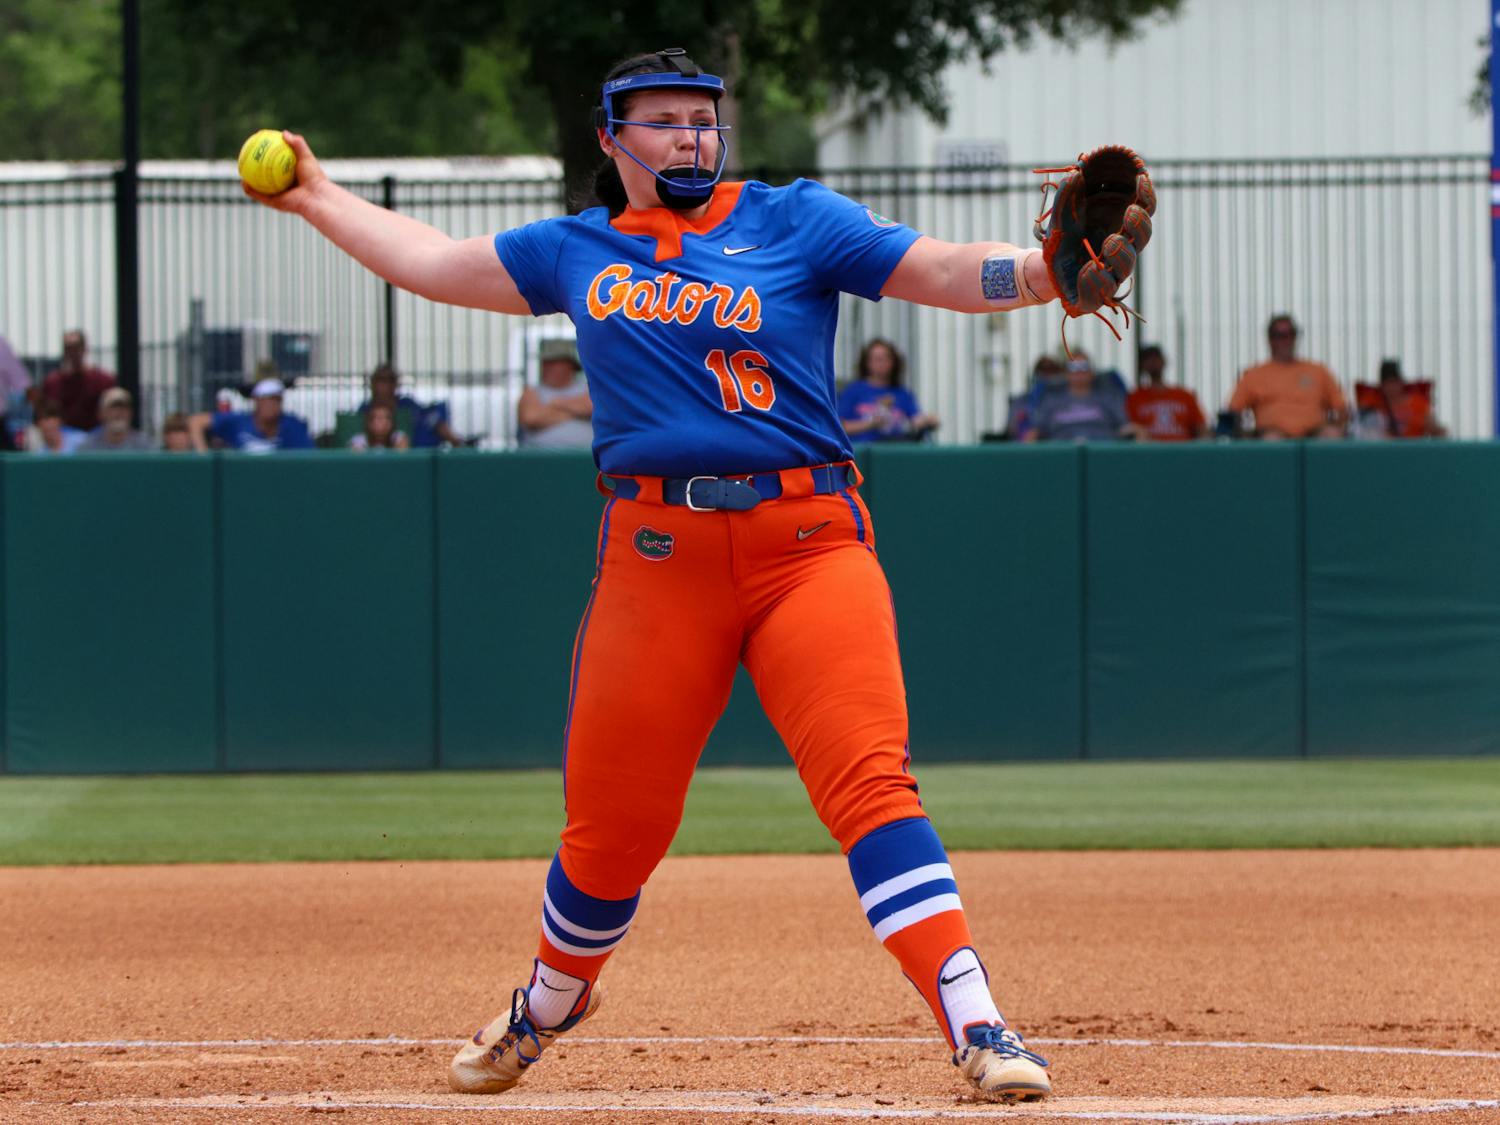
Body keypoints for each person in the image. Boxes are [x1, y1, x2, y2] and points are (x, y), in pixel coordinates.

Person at [244, 47, 1066, 1104]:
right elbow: (432, 262)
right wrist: (316, 195)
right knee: (612, 829)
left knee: (869, 780)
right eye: (665, 120)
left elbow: (944, 269)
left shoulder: (794, 219)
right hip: (656, 560)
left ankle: (976, 1021)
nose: (690, 135)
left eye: (703, 118)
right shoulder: (575, 250)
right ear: (611, 138)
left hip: (810, 546)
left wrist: (1038, 273)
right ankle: (550, 1000)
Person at [1227, 315, 1346, 439]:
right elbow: (1234, 410)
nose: (1286, 340)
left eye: (1290, 334)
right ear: (1270, 339)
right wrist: (1244, 434)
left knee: (1332, 434)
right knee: (1272, 439)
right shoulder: (1253, 375)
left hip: (1314, 434)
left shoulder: (1318, 371)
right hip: (1272, 433)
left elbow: (1341, 408)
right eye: (1280, 335)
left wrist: (1337, 425)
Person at [837, 338, 938, 442]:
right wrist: (871, 424)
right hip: (862, 450)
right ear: (867, 363)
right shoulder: (853, 391)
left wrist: (928, 421)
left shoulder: (902, 394)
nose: (882, 364)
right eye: (877, 359)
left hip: (895, 450)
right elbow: (840, 427)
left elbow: (915, 419)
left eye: (886, 359)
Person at [1025, 353, 1137, 443]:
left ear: (1092, 372)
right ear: (1066, 373)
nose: (1078, 371)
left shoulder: (1109, 397)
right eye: (1073, 367)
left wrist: (1138, 432)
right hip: (1060, 455)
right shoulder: (1051, 400)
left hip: (1103, 453)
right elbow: (1036, 432)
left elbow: (1125, 427)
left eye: (1083, 366)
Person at [189, 376, 315, 453]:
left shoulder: (292, 425)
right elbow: (196, 421)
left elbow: (308, 458)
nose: (272, 405)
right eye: (267, 399)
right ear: (257, 400)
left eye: (276, 400)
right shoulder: (239, 421)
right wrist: (204, 456)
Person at [359, 363, 467, 447]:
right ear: (373, 383)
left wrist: (455, 441)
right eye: (380, 381)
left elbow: (431, 421)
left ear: (395, 384)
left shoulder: (407, 405)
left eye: (389, 381)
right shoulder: (365, 409)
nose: (384, 386)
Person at [517, 338, 594, 449]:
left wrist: (556, 403)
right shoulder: (532, 392)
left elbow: (590, 407)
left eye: (554, 362)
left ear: (570, 365)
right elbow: (531, 418)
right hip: (541, 457)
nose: (547, 367)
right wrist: (576, 411)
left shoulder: (587, 387)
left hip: (584, 456)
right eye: (545, 362)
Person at [1125, 345, 1208, 441]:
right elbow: (1130, 430)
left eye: (1156, 358)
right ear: (1142, 365)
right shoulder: (1134, 398)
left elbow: (1201, 428)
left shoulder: (1184, 396)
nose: (1153, 362)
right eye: (1148, 359)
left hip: (1183, 451)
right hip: (1149, 452)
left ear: (1164, 361)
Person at [40, 330, 117, 432]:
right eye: (69, 348)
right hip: (64, 440)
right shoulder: (52, 383)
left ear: (85, 349)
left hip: (98, 438)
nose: (73, 353)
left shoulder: (104, 380)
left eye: (77, 347)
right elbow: (46, 414)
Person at [1359, 359, 1447, 439]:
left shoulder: (1418, 403)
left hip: (1413, 451)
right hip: (1381, 451)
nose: (1391, 387)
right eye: (1387, 383)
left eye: (1394, 382)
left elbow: (1435, 430)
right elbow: (1359, 428)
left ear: (1401, 382)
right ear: (1381, 385)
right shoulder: (1370, 401)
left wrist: (1438, 430)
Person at [77, 387, 153, 452]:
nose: (119, 413)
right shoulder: (88, 447)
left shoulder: (145, 446)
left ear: (131, 413)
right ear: (101, 413)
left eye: (123, 408)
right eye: (113, 408)